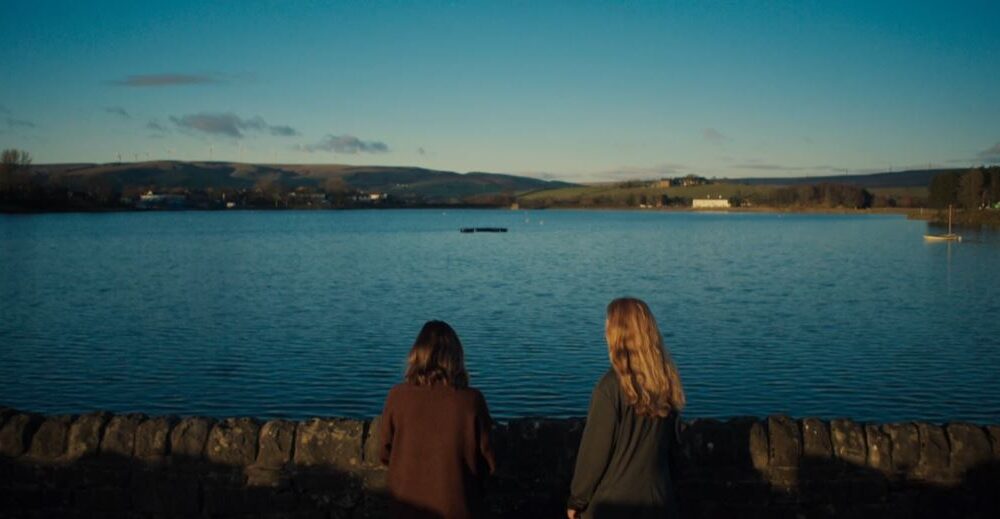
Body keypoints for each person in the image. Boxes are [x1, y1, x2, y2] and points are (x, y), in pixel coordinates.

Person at [567, 298, 686, 519]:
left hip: (613, 505)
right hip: (659, 502)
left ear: (617, 335)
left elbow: (594, 454)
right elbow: (672, 452)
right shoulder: (666, 382)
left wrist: (577, 499)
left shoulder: (610, 388)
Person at [379, 320, 496, 519]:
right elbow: (488, 461)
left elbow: (383, 452)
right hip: (458, 509)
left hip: (405, 509)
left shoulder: (397, 397)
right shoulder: (471, 400)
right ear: (456, 357)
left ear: (417, 355)